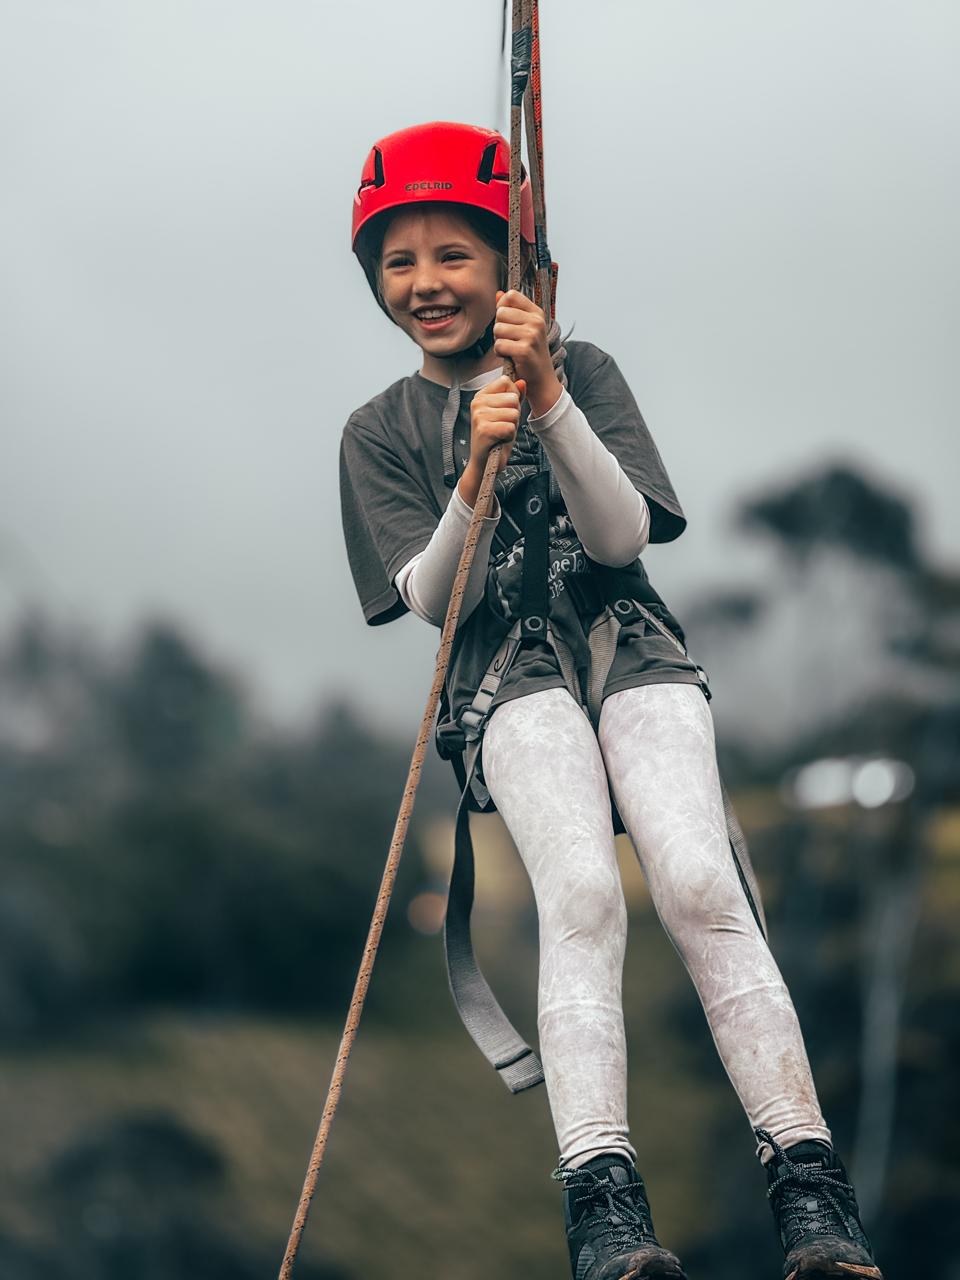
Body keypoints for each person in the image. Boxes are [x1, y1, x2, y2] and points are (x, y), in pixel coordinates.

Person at [339, 121, 883, 1280]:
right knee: (582, 896)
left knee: (698, 881)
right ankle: (605, 1210)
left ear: (511, 267)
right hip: (509, 677)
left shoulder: (581, 373)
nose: (427, 283)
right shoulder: (380, 431)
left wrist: (548, 403)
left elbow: (622, 533)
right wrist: (476, 468)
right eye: (400, 261)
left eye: (454, 254)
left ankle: (811, 1191)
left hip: (628, 645)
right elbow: (437, 601)